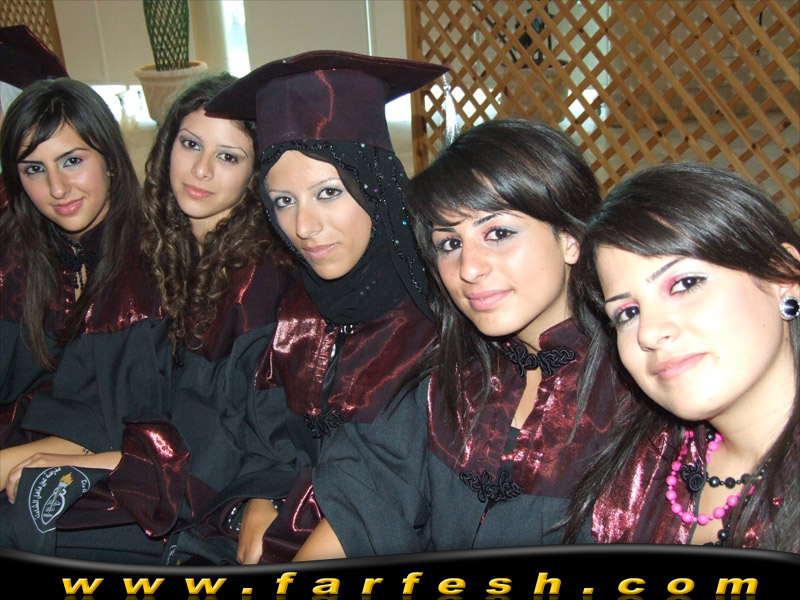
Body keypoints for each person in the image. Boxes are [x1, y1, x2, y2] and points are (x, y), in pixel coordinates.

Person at [294, 118, 628, 560]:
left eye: (498, 234)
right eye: (450, 244)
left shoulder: (639, 395)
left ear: (570, 238)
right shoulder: (443, 377)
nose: (469, 269)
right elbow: (364, 507)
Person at [165, 50, 447, 565]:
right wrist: (263, 493)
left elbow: (397, 493)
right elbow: (267, 436)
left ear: (376, 187)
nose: (305, 227)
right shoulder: (297, 307)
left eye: (328, 192)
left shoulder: (437, 320)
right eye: (284, 201)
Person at [0, 74, 294, 563]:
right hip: (155, 465)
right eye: (191, 144)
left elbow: (226, 431)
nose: (201, 170)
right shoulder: (169, 250)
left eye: (228, 156)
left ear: (256, 172)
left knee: (24, 516)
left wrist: (105, 460)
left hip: (201, 491)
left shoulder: (254, 280)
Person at [560, 162, 800, 553]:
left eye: (685, 284)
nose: (649, 333)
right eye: (628, 313)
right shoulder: (642, 468)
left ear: (782, 277)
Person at [0, 77, 153, 409]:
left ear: (109, 158)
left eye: (72, 161)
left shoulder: (160, 256)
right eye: (34, 169)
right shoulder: (11, 259)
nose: (57, 188)